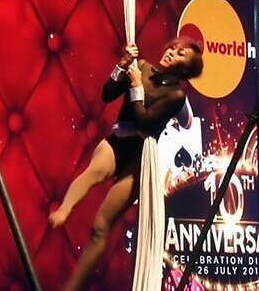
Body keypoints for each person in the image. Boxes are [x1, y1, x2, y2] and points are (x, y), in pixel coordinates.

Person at [49, 37, 203, 290]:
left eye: (180, 54)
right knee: (95, 171)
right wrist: (122, 65)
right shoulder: (141, 66)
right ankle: (65, 209)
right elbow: (107, 93)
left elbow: (144, 121)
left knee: (100, 227)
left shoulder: (175, 96)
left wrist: (136, 85)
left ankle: (72, 287)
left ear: (185, 69)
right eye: (173, 48)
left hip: (140, 158)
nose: (171, 52)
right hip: (117, 142)